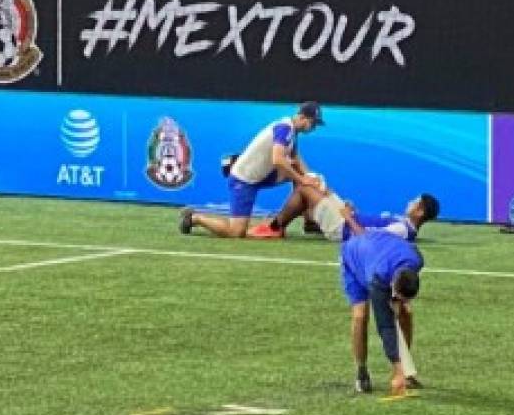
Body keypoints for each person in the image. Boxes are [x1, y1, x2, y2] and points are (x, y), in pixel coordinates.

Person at [179, 102, 325, 238]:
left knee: (300, 174)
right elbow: (278, 160)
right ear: (301, 117)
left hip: (264, 174)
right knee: (236, 232)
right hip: (244, 179)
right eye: (313, 123)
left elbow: (295, 158)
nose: (314, 128)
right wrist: (302, 179)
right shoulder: (284, 129)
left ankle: (309, 222)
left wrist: (309, 176)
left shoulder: (292, 131)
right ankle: (194, 218)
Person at [340, 229, 425, 395]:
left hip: (380, 248)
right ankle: (362, 372)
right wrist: (397, 365)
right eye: (398, 295)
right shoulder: (379, 277)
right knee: (360, 315)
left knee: (406, 312)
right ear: (393, 283)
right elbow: (385, 326)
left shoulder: (417, 261)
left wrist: (398, 301)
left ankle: (404, 371)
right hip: (355, 259)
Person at [252, 185, 440, 243]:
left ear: (420, 211)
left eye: (414, 202)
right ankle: (312, 224)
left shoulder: (401, 229)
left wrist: (348, 215)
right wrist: (353, 212)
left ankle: (274, 228)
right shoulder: (405, 225)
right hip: (347, 220)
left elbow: (366, 238)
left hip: (342, 228)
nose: (409, 202)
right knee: (320, 185)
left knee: (304, 190)